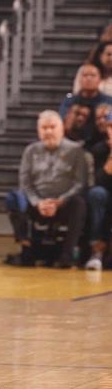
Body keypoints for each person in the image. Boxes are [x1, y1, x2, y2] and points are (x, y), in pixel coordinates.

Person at [7, 111, 88, 268]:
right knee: (14, 198)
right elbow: (25, 183)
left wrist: (60, 201)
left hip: (64, 203)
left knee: (79, 203)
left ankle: (67, 255)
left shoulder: (75, 151)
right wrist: (38, 202)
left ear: (62, 128)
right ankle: (26, 247)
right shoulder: (30, 151)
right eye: (44, 128)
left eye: (52, 127)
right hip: (37, 203)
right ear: (38, 131)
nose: (48, 131)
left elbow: (80, 183)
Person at [85, 108, 112, 271]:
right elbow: (96, 182)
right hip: (105, 196)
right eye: (111, 126)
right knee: (96, 194)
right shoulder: (98, 150)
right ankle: (97, 251)